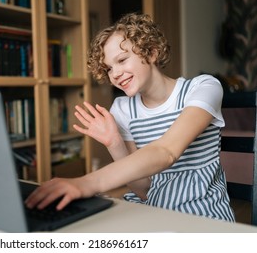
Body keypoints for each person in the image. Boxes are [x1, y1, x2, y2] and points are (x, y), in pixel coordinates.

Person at [26, 12, 235, 222]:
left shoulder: (203, 87)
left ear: (151, 52)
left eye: (122, 60)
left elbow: (166, 151)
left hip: (204, 215)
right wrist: (115, 143)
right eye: (108, 68)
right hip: (153, 213)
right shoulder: (123, 108)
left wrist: (87, 183)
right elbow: (143, 190)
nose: (115, 74)